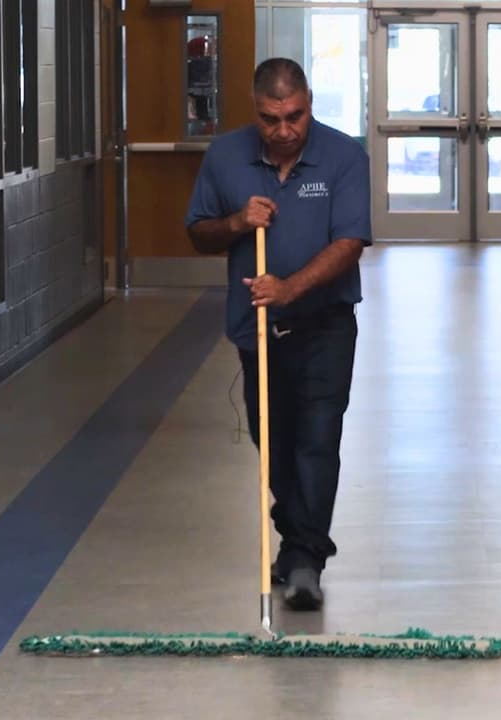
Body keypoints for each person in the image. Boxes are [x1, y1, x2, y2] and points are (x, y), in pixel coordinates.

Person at [184, 58, 371, 611]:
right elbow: (197, 233)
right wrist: (237, 224)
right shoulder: (225, 157)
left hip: (326, 325)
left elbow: (351, 241)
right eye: (272, 119)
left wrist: (290, 288)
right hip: (258, 330)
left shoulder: (342, 156)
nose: (285, 130)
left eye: (295, 116)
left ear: (309, 103)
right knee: (275, 446)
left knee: (318, 439)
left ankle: (307, 559)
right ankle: (296, 541)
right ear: (255, 109)